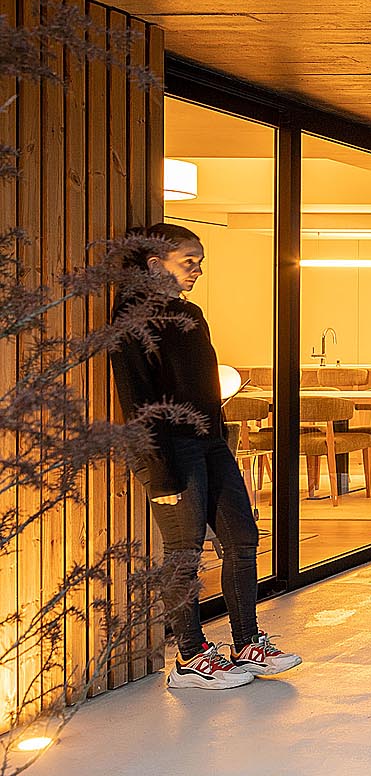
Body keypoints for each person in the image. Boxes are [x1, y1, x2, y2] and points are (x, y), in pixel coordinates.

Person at [110, 221, 302, 692]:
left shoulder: (192, 315)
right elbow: (137, 402)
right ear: (155, 264)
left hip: (211, 444)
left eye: (200, 262)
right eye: (188, 261)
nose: (198, 270)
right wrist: (158, 472)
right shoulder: (131, 321)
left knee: (241, 537)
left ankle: (247, 643)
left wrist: (220, 440)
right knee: (184, 554)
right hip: (169, 450)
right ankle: (190, 659)